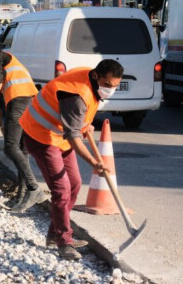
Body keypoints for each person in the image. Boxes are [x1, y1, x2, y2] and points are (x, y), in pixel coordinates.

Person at [19, 59, 121, 261]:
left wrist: (84, 124)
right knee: (61, 189)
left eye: (115, 87)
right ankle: (64, 242)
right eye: (107, 85)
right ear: (95, 76)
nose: (110, 90)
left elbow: (76, 118)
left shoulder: (87, 76)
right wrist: (93, 162)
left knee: (74, 185)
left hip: (58, 136)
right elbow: (73, 135)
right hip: (40, 136)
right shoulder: (76, 95)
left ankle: (54, 233)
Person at [0, 49, 48, 213]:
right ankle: (21, 196)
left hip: (19, 102)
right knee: (22, 149)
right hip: (32, 102)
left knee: (10, 146)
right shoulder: (15, 63)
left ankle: (34, 189)